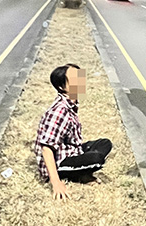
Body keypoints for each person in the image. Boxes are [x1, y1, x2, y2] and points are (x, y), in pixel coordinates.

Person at [33, 63, 113, 200]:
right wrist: (56, 183)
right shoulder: (59, 111)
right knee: (96, 159)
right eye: (76, 79)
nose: (81, 82)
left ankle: (81, 170)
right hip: (59, 162)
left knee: (104, 143)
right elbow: (46, 148)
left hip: (70, 150)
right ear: (62, 87)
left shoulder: (70, 104)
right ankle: (77, 175)